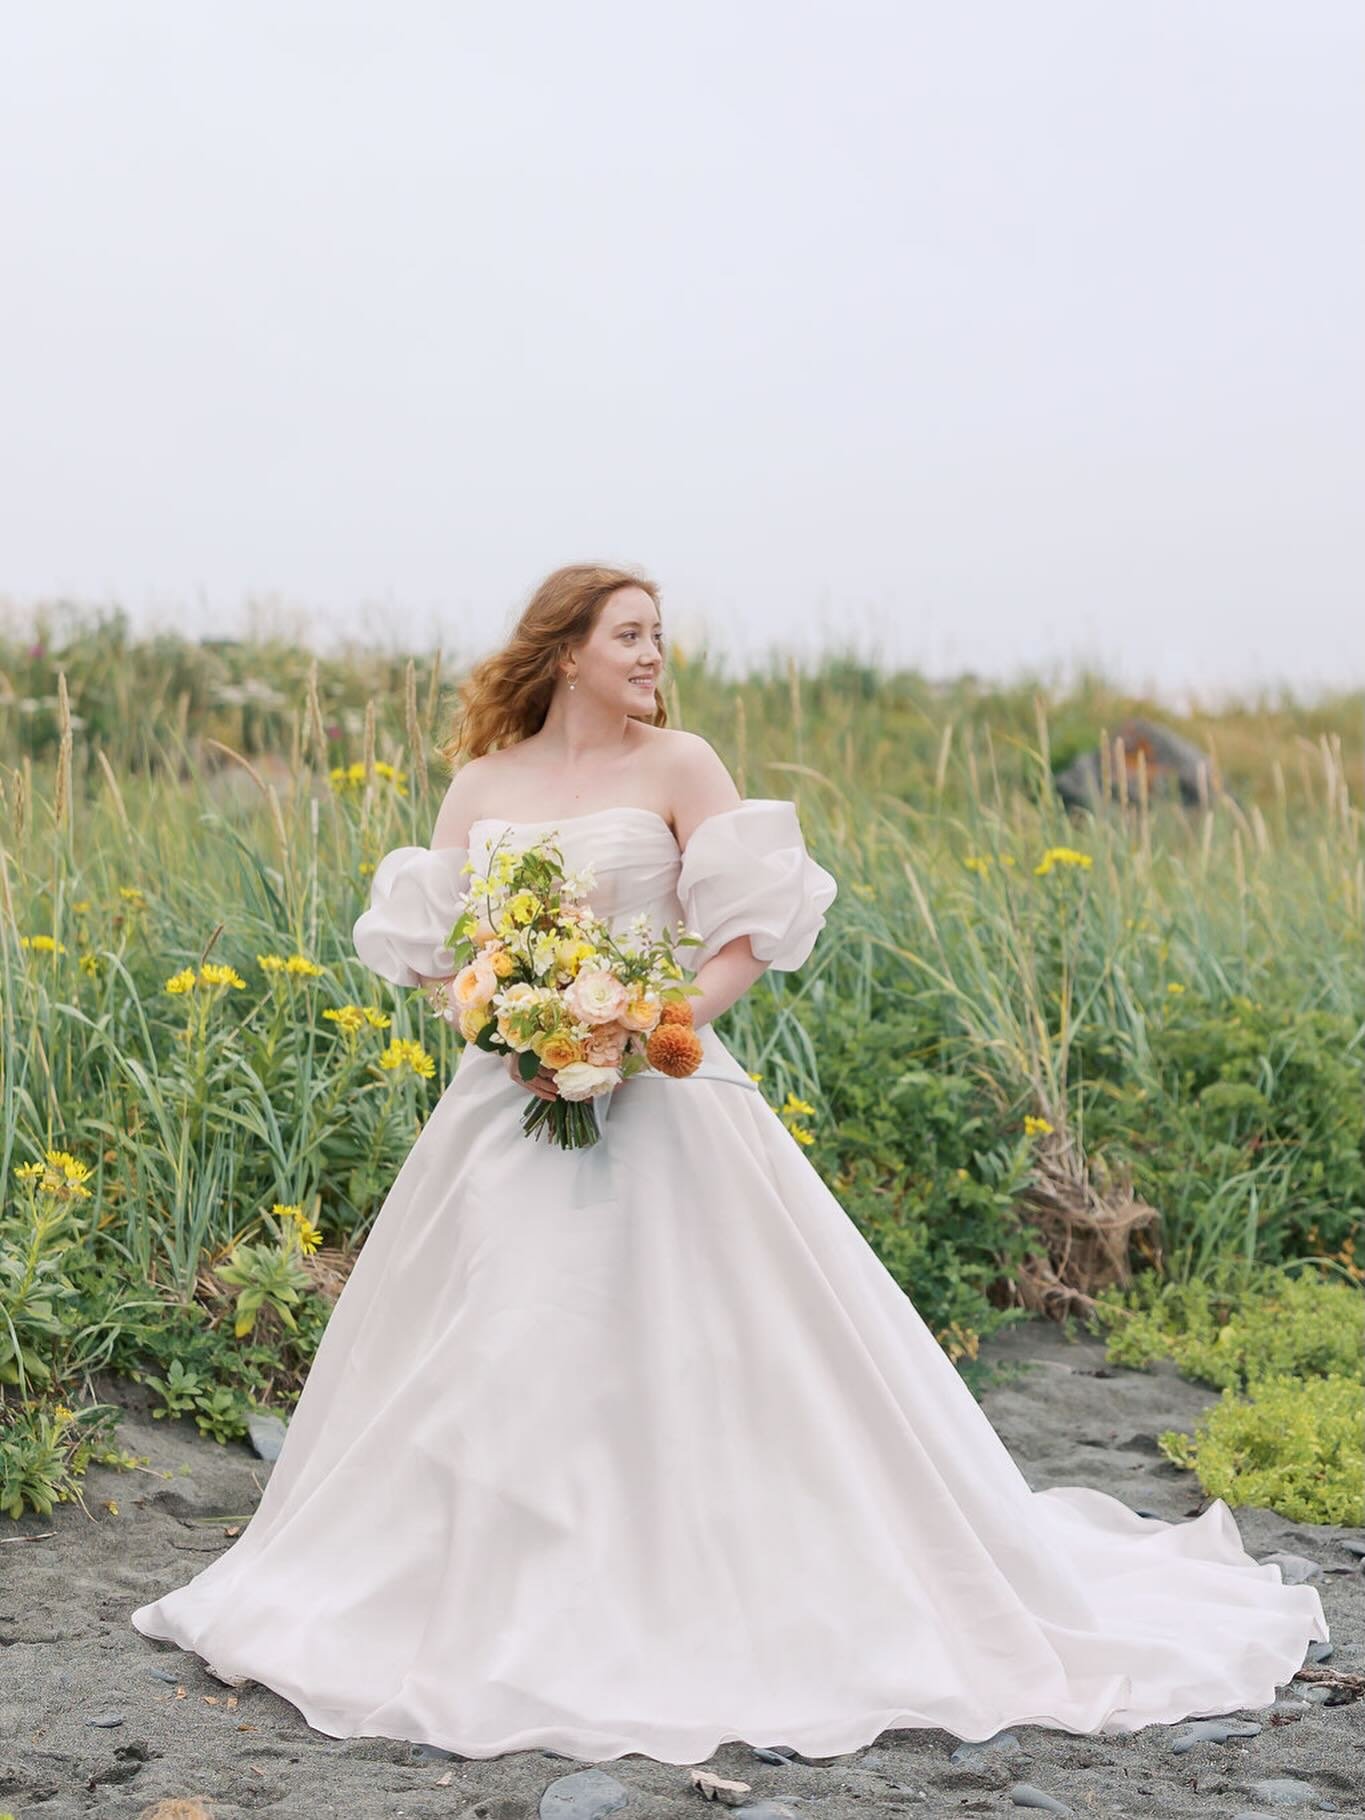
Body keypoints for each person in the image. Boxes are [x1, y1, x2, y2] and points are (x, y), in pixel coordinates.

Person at [131, 563, 1329, 1766]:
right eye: (632, 635)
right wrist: (507, 1023)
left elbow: (749, 931)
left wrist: (648, 1027)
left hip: (669, 1091)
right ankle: (485, 1584)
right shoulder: (482, 784)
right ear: (566, 653)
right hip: (508, 1101)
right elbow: (441, 951)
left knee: (718, 1340)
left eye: (660, 635)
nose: (656, 655)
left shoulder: (681, 763)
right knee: (491, 1335)